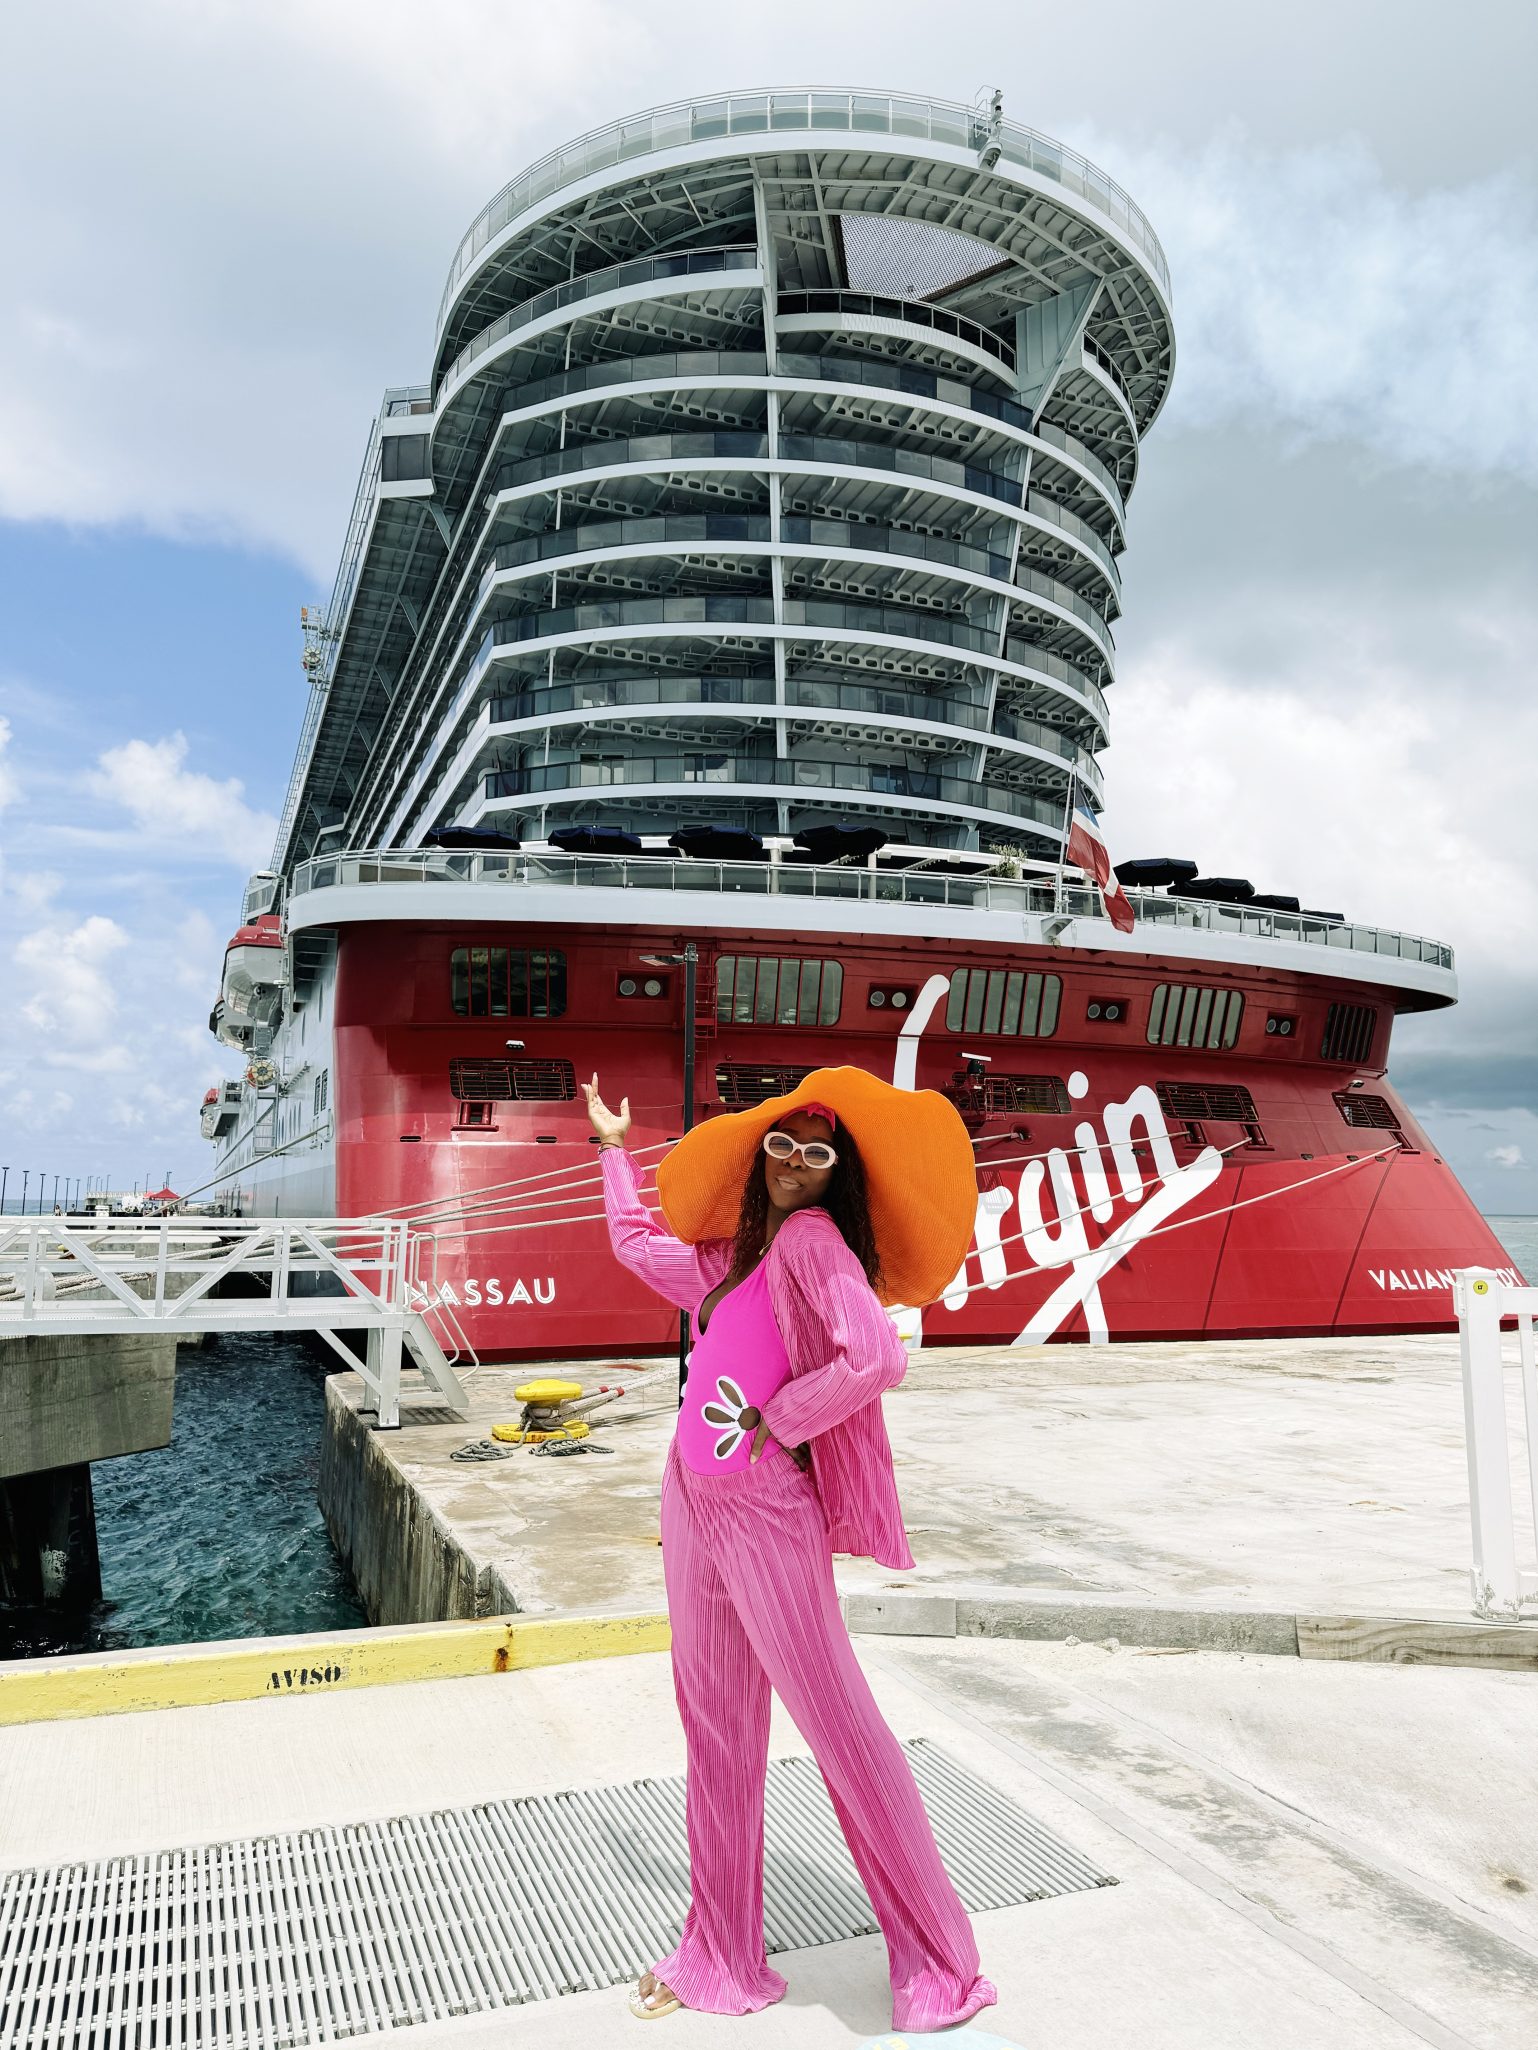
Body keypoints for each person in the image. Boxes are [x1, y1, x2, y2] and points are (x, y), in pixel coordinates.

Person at [583, 1064, 995, 2032]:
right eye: (782, 1146)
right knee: (714, 1731)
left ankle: (939, 1958)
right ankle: (722, 1952)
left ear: (831, 1177)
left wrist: (783, 1416)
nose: (795, 1166)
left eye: (816, 1156)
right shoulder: (729, 1257)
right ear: (759, 1151)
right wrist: (613, 1149)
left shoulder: (812, 1244)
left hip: (764, 1509)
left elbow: (876, 1354)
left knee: (839, 1727)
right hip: (689, 1497)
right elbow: (636, 1241)